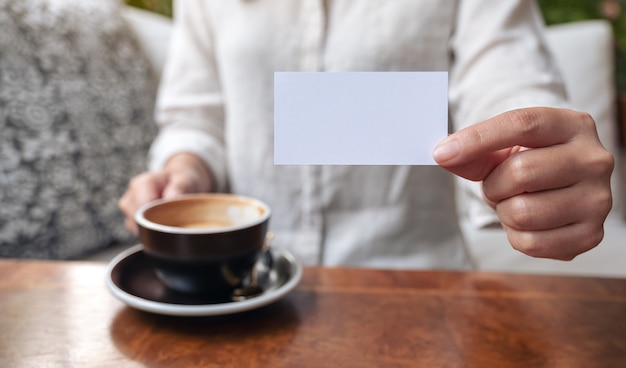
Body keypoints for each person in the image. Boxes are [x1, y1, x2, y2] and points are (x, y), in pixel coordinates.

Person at [119, 0, 614, 269]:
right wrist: (183, 169)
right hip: (251, 280)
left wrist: (530, 156)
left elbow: (505, 80)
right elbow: (196, 117)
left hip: (417, 283)